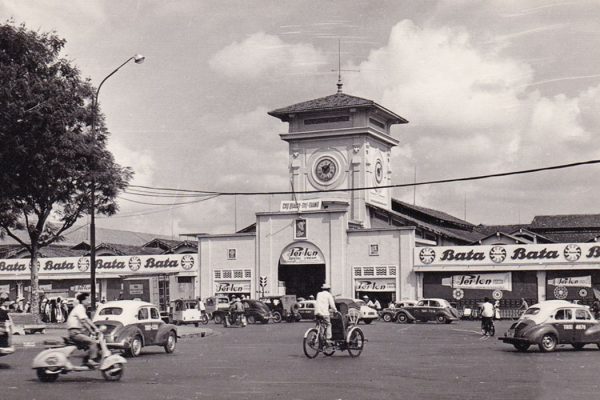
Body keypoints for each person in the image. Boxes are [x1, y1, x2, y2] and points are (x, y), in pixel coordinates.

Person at [66, 292, 100, 367]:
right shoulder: (80, 308)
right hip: (75, 333)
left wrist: (92, 330)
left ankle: (86, 360)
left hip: (75, 332)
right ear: (83, 301)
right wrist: (95, 329)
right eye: (88, 299)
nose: (89, 301)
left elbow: (85, 321)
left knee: (88, 344)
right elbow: (85, 321)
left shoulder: (80, 308)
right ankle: (91, 360)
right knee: (92, 342)